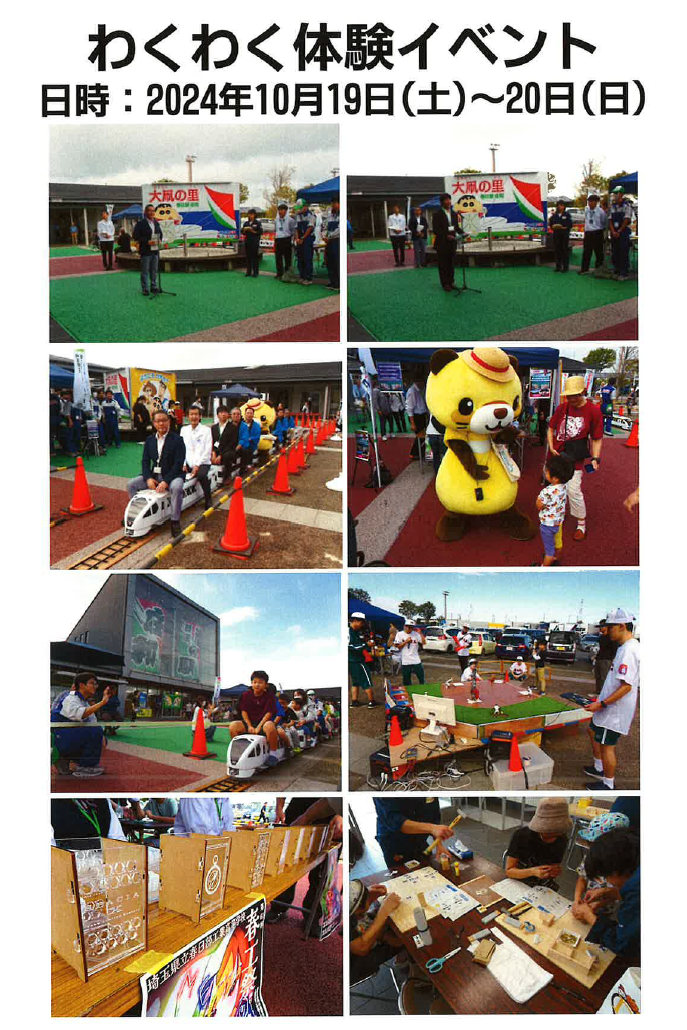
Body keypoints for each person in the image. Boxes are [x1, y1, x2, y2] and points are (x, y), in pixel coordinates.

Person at [583, 608, 639, 790]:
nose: (606, 630)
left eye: (609, 626)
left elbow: (626, 686)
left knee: (608, 746)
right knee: (592, 730)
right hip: (606, 706)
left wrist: (602, 704)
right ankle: (599, 767)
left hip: (614, 711)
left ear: (622, 626)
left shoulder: (629, 650)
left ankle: (608, 784)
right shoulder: (624, 647)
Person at [547, 376, 603, 541]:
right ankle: (559, 514)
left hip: (575, 457)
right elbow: (551, 429)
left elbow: (597, 437)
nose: (570, 399)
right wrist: (550, 446)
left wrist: (596, 458)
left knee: (573, 490)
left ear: (583, 392)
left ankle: (581, 524)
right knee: (557, 488)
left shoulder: (593, 411)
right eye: (568, 396)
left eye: (574, 395)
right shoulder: (562, 407)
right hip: (557, 455)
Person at [573, 827, 640, 956]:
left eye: (605, 876)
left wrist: (589, 916)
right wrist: (610, 892)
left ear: (615, 871)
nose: (607, 880)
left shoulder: (636, 892)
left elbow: (622, 944)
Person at [126, 410, 186, 538]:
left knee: (176, 487)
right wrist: (148, 479)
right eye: (158, 421)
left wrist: (166, 481)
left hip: (173, 475)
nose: (161, 423)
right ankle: (136, 515)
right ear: (154, 423)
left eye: (164, 420)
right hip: (155, 475)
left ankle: (175, 521)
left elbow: (178, 463)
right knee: (131, 484)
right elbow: (145, 461)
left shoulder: (178, 440)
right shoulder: (149, 440)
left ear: (169, 422)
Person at [51, 672, 115, 778]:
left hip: (70, 736)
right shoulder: (70, 699)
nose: (95, 686)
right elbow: (81, 714)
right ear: (81, 685)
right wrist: (102, 702)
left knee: (100, 735)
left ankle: (69, 760)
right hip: (59, 738)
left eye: (96, 684)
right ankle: (84, 766)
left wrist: (101, 737)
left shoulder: (84, 702)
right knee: (94, 731)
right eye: (92, 683)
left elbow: (92, 721)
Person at [572, 811, 631, 922]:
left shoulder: (624, 873)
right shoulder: (591, 855)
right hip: (589, 905)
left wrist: (597, 906)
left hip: (605, 910)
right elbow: (582, 878)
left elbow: (621, 894)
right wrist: (577, 899)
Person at [505, 797, 570, 889]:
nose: (554, 835)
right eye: (549, 832)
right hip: (518, 880)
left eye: (558, 831)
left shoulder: (562, 839)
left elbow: (554, 868)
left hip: (541, 885)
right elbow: (509, 871)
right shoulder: (521, 836)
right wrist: (532, 871)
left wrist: (553, 872)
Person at [373, 797, 452, 867]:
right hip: (395, 842)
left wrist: (438, 844)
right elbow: (395, 821)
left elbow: (434, 814)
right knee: (403, 875)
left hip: (420, 839)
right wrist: (432, 828)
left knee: (427, 868)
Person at [350, 883, 404, 984]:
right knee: (407, 940)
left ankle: (403, 958)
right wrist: (384, 911)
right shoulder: (345, 924)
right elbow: (362, 949)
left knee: (391, 927)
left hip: (360, 937)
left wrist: (365, 895)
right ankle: (409, 963)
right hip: (353, 965)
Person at [229, 671, 280, 766]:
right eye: (254, 682)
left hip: (263, 723)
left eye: (260, 682)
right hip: (249, 723)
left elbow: (269, 713)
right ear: (251, 683)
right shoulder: (245, 695)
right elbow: (244, 711)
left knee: (270, 725)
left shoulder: (270, 697)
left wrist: (258, 727)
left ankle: (273, 754)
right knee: (233, 726)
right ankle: (240, 750)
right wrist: (249, 726)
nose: (257, 684)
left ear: (266, 685)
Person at [535, 452, 574, 566]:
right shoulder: (564, 486)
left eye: (547, 472)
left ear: (555, 478)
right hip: (558, 522)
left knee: (549, 551)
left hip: (547, 524)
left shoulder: (547, 491)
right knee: (558, 542)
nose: (545, 472)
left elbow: (539, 506)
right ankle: (557, 558)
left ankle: (544, 567)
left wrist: (539, 500)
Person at [180, 404, 213, 510]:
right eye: (191, 414)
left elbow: (207, 451)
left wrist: (197, 465)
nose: (194, 417)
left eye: (196, 414)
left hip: (203, 462)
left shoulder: (206, 430)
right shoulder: (184, 430)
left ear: (200, 416)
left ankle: (208, 498)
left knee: (202, 475)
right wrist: (183, 463)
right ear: (188, 416)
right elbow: (181, 448)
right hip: (188, 462)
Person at [432, 192, 464, 292]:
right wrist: (446, 236)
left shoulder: (454, 214)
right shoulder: (437, 214)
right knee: (443, 264)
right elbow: (436, 230)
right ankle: (445, 283)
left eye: (449, 199)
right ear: (441, 202)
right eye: (446, 200)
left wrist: (463, 233)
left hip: (452, 243)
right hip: (442, 243)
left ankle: (451, 282)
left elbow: (456, 227)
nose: (449, 201)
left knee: (451, 264)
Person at [132, 203, 163, 295]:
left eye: (153, 211)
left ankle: (154, 287)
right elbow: (135, 236)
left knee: (154, 270)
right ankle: (145, 289)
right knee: (145, 271)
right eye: (149, 211)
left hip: (155, 250)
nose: (151, 212)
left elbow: (160, 234)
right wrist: (146, 241)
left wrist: (160, 240)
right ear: (145, 212)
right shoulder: (140, 224)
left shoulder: (156, 223)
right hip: (145, 251)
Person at [348, 612, 376, 708]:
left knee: (355, 682)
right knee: (366, 681)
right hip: (356, 660)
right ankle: (371, 701)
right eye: (361, 623)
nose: (362, 625)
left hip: (352, 660)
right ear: (355, 620)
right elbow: (350, 646)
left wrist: (365, 644)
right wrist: (366, 645)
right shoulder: (348, 631)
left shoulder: (355, 631)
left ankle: (354, 701)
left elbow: (357, 644)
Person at [578, 192, 607, 274]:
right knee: (586, 252)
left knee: (599, 252)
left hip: (597, 232)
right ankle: (584, 269)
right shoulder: (586, 209)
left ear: (596, 202)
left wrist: (600, 229)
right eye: (589, 201)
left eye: (592, 201)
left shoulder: (601, 211)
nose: (590, 203)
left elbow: (604, 222)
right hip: (588, 233)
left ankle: (598, 270)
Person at [608, 186, 633, 281]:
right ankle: (616, 271)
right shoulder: (612, 207)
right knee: (615, 252)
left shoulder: (627, 206)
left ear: (621, 194)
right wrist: (613, 231)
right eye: (614, 193)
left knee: (623, 253)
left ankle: (624, 273)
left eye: (616, 193)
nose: (614, 195)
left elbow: (626, 220)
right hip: (614, 232)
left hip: (623, 233)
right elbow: (610, 220)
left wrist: (619, 231)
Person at [394, 620, 426, 687]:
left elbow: (424, 643)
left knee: (421, 678)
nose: (409, 629)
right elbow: (398, 647)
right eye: (408, 627)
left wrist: (420, 633)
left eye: (411, 627)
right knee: (406, 680)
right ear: (404, 626)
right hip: (406, 661)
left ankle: (424, 691)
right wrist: (406, 641)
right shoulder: (399, 634)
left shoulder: (415, 634)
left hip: (416, 660)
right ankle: (409, 693)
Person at [405, 371, 429, 460]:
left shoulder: (418, 390)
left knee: (421, 436)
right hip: (416, 416)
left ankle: (418, 452)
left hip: (421, 415)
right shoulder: (412, 391)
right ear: (418, 382)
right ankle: (414, 453)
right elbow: (409, 408)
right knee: (420, 436)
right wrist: (412, 423)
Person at [594, 618, 620, 695]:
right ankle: (598, 692)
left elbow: (615, 650)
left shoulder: (611, 637)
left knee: (603, 677)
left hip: (607, 660)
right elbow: (600, 648)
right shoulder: (601, 637)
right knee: (597, 676)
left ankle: (603, 694)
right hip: (599, 659)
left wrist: (613, 661)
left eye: (602, 626)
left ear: (606, 627)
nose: (600, 628)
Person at [211, 405, 238, 477]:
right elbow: (212, 441)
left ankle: (227, 476)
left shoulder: (233, 427)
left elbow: (232, 444)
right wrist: (213, 453)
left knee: (227, 456)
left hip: (228, 450)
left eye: (225, 412)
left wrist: (220, 455)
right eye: (221, 412)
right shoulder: (213, 428)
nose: (223, 414)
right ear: (217, 415)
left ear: (228, 415)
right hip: (217, 450)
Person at [294, 201, 317, 284]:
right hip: (299, 239)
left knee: (307, 258)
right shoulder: (298, 216)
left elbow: (310, 228)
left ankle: (308, 278)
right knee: (300, 258)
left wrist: (303, 238)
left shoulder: (312, 215)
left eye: (300, 208)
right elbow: (296, 228)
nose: (298, 210)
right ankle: (302, 276)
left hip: (308, 239)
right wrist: (297, 238)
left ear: (305, 207)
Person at [548, 199, 572, 273]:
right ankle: (558, 266)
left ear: (564, 206)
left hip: (564, 235)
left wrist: (564, 228)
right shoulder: (554, 215)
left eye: (561, 205)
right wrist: (553, 227)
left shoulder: (567, 214)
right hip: (556, 235)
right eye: (558, 205)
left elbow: (570, 224)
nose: (560, 207)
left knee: (564, 250)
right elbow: (551, 223)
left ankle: (565, 267)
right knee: (557, 250)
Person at [235, 403, 261, 471]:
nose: (249, 414)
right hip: (240, 443)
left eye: (251, 413)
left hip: (250, 444)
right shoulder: (240, 424)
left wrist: (250, 439)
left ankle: (244, 467)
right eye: (248, 413)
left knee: (245, 450)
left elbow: (257, 436)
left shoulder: (257, 426)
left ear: (253, 415)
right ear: (245, 414)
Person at [273, 202, 296, 279]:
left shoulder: (290, 220)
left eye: (282, 210)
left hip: (286, 239)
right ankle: (279, 273)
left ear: (286, 211)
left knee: (287, 258)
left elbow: (293, 231)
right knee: (278, 258)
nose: (280, 212)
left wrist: (291, 239)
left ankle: (287, 274)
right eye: (279, 210)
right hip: (278, 240)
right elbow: (275, 230)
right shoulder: (276, 220)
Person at [323, 198, 340, 289]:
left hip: (337, 241)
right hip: (329, 241)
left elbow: (340, 229)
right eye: (332, 203)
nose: (333, 205)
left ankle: (338, 283)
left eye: (334, 203)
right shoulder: (330, 216)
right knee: (330, 261)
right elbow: (325, 227)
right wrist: (324, 235)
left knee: (337, 261)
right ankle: (332, 282)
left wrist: (329, 236)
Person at [242, 209, 262, 277]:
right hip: (247, 242)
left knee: (254, 257)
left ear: (254, 215)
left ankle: (255, 272)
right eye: (249, 214)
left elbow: (260, 232)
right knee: (248, 257)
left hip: (255, 242)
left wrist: (252, 231)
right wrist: (244, 230)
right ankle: (248, 272)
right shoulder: (246, 223)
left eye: (251, 214)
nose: (250, 215)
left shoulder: (258, 223)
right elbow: (243, 232)